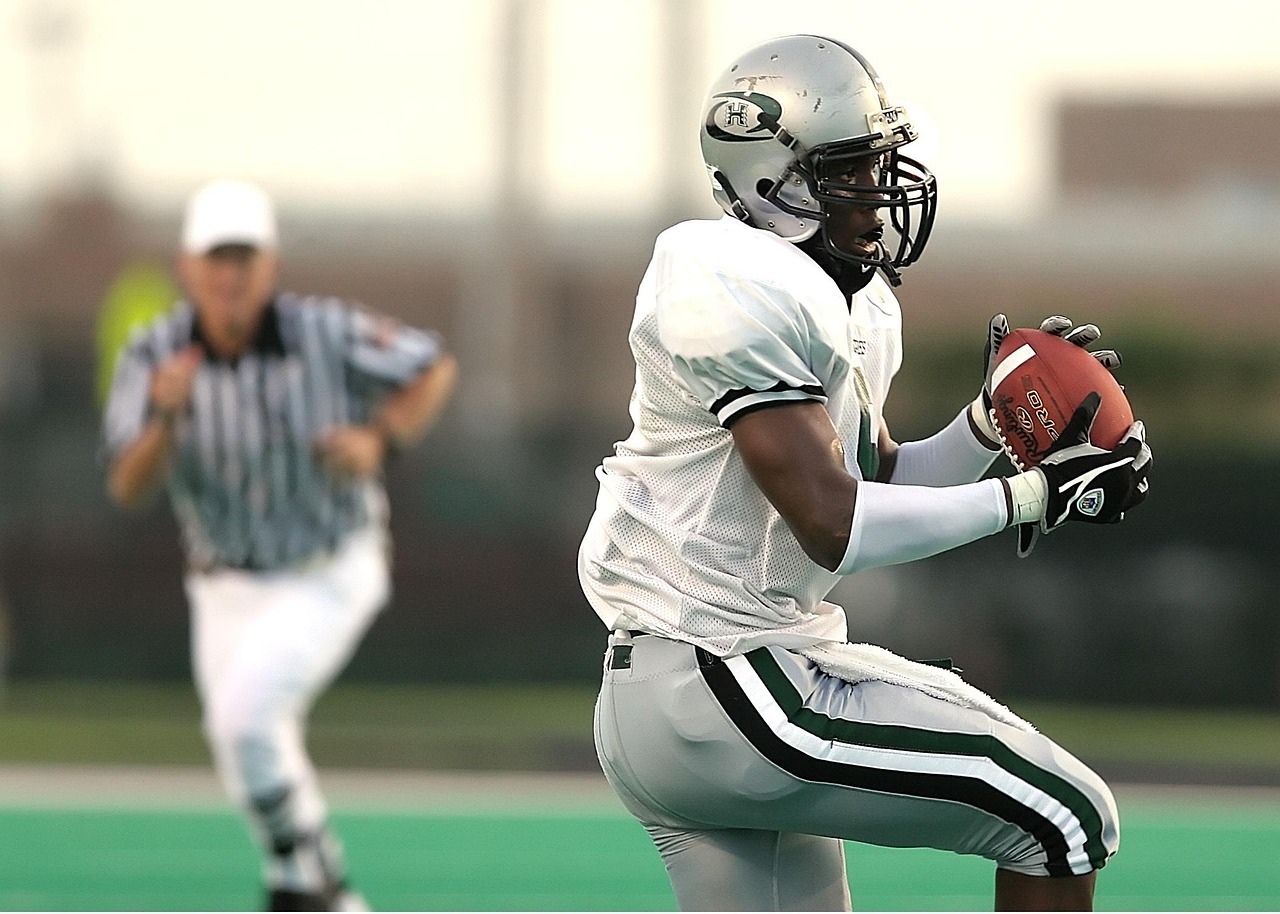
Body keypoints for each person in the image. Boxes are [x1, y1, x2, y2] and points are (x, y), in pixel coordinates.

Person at [578, 35, 1151, 912]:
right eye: (851, 169)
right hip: (729, 677)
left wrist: (988, 427)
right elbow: (834, 523)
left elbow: (881, 486)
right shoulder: (728, 276)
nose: (879, 193)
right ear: (774, 182)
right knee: (1061, 816)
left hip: (688, 689)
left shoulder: (850, 303)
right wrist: (1032, 496)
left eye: (881, 163)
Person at [102, 179, 458, 912]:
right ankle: (313, 887)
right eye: (216, 257)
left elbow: (432, 366)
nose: (230, 274)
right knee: (243, 751)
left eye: (244, 257)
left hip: (328, 565)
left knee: (247, 720)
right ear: (188, 266)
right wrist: (164, 423)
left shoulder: (324, 330)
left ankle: (310, 884)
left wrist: (377, 438)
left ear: (269, 266)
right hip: (221, 580)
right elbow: (127, 488)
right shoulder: (153, 353)